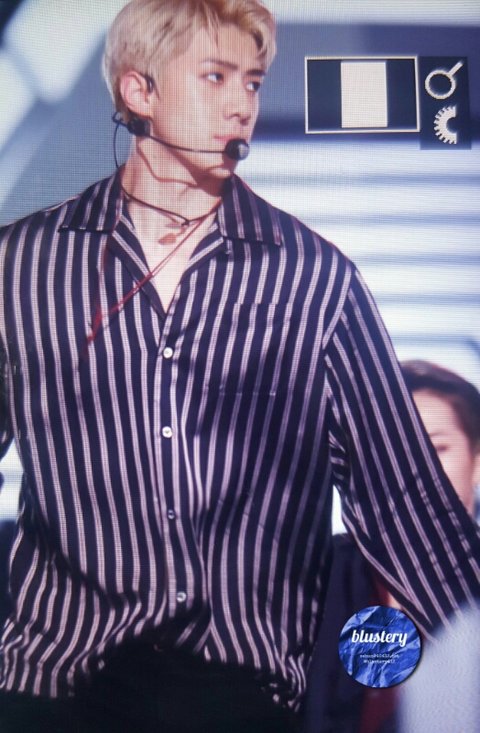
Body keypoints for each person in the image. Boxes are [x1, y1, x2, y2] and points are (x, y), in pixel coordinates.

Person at [0, 1, 479, 731]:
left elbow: (404, 503)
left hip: (235, 700)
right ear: (139, 90)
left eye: (252, 82)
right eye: (215, 77)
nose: (242, 105)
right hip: (55, 689)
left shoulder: (314, 280)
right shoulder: (22, 266)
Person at [304, 359, 480, 733]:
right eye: (393, 454)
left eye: (438, 449)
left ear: (476, 462)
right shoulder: (314, 576)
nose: (418, 473)